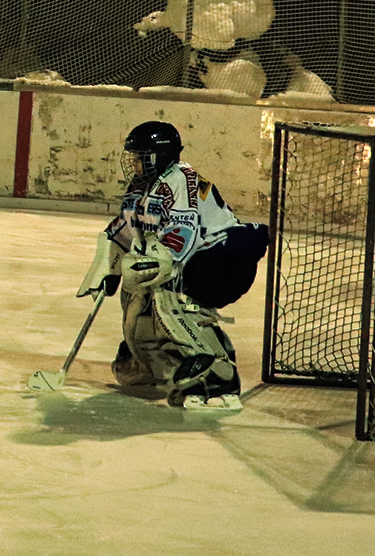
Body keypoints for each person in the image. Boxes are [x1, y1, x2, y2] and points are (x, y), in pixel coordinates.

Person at [76, 121, 270, 410]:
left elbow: (183, 231)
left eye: (141, 157)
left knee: (169, 293)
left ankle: (217, 375)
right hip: (202, 257)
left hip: (226, 256)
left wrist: (162, 260)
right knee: (139, 292)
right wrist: (110, 267)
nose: (134, 163)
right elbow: (126, 228)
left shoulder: (181, 178)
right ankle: (155, 364)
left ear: (160, 156)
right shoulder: (142, 185)